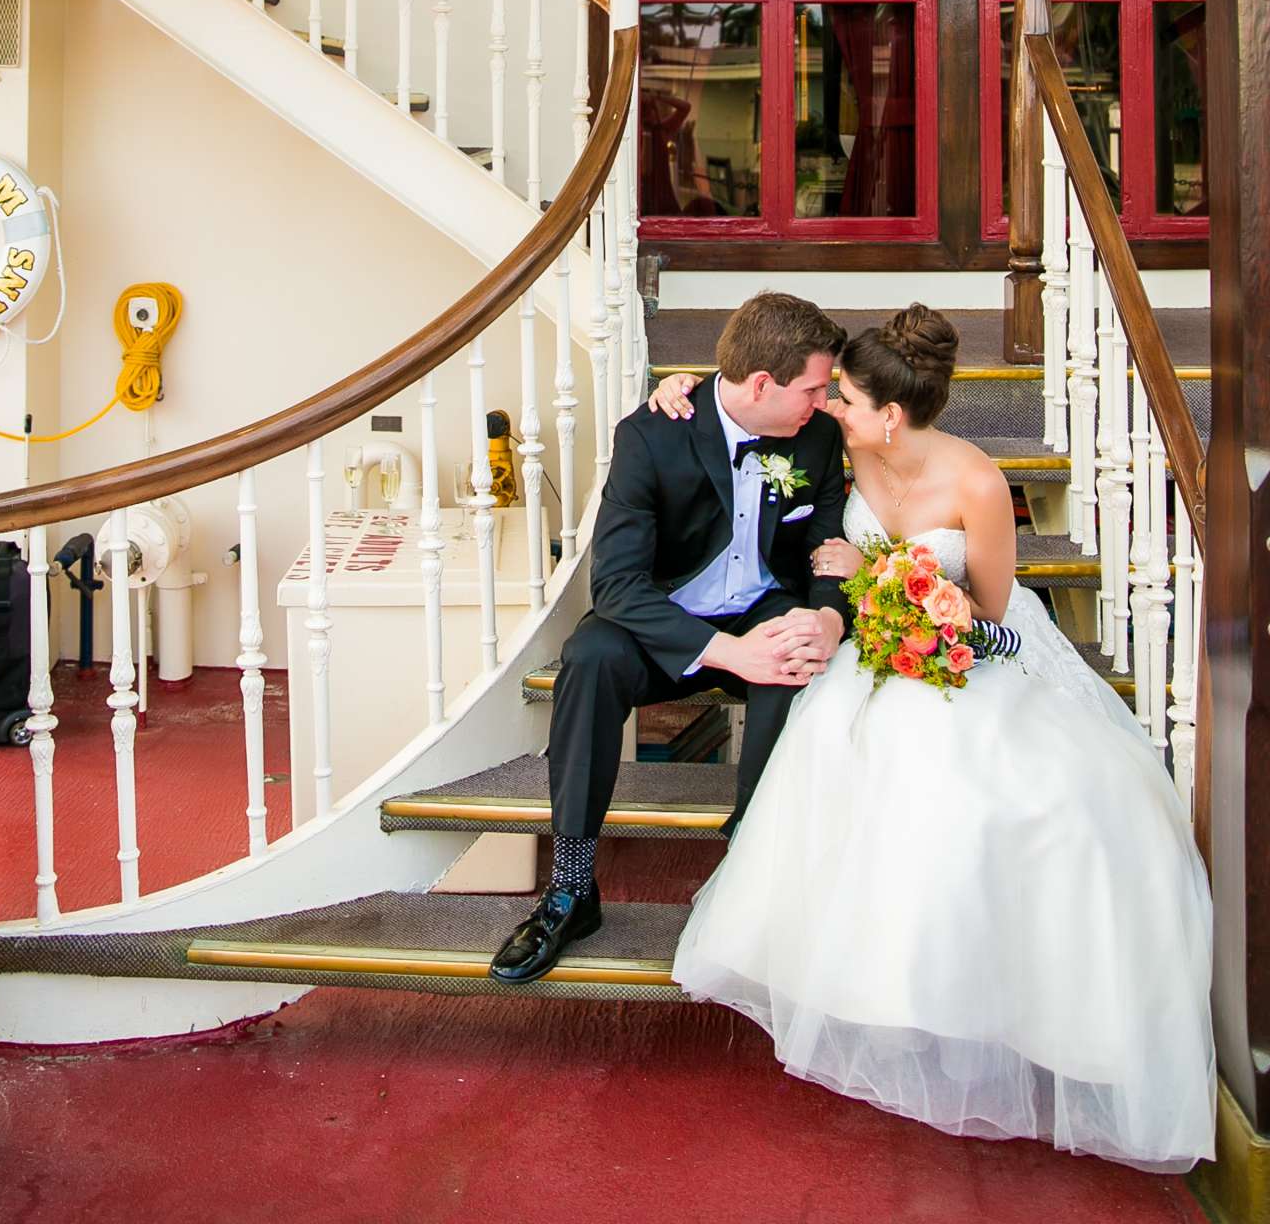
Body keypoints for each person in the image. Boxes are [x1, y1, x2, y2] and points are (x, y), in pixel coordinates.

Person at [652, 303, 1216, 1173]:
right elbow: (754, 400)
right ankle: (864, 984)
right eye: (828, 392)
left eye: (842, 396)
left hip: (967, 652)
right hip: (870, 649)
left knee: (1015, 794)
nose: (827, 404)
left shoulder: (979, 485)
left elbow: (991, 618)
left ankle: (991, 1000)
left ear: (889, 415)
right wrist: (680, 387)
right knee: (841, 748)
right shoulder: (832, 444)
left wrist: (886, 578)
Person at [489, 290, 853, 986]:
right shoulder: (652, 434)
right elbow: (617, 586)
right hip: (667, 619)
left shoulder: (816, 435)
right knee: (591, 656)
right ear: (761, 385)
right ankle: (570, 888)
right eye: (814, 387)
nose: (824, 400)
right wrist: (726, 653)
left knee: (796, 660)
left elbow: (825, 542)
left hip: (760, 607)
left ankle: (753, 889)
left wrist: (827, 618)